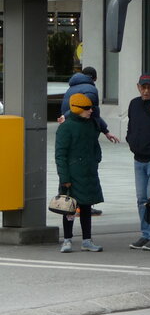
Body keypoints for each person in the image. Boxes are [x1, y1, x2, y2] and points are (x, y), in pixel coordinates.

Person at [57, 66, 118, 215]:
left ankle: (73, 204)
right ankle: (83, 206)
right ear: (95, 78)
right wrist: (105, 130)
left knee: (71, 167)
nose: (89, 109)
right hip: (82, 129)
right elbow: (87, 110)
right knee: (84, 168)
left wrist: (65, 116)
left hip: (71, 127)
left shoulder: (71, 87)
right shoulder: (91, 89)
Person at [54, 93, 105, 253]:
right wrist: (65, 178)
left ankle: (87, 240)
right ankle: (68, 239)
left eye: (91, 108)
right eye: (87, 108)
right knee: (69, 208)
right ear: (77, 109)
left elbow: (95, 145)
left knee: (86, 207)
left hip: (88, 172)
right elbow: (60, 155)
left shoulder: (90, 125)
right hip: (73, 175)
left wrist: (96, 159)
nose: (91, 111)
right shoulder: (66, 127)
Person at [126, 73, 150, 250]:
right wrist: (131, 140)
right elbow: (131, 125)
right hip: (138, 158)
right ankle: (146, 233)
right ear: (138, 87)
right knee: (141, 198)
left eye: (149, 87)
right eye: (143, 87)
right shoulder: (134, 104)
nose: (146, 90)